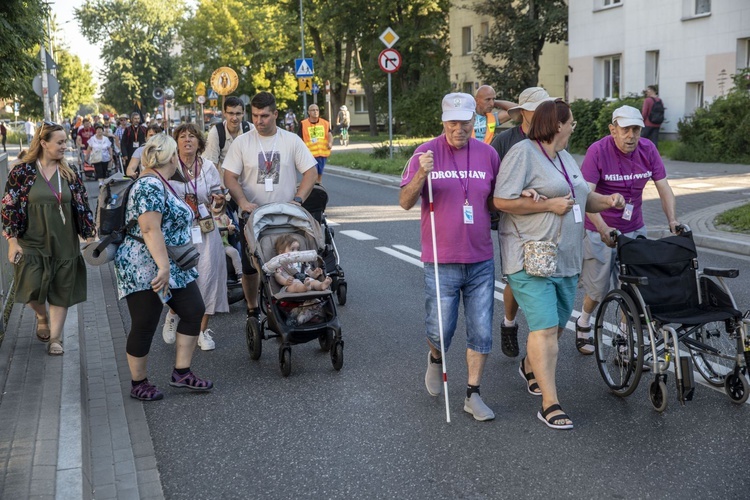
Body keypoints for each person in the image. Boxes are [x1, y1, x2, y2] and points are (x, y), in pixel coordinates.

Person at [493, 99, 626, 430]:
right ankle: (550, 403)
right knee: (544, 327)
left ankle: (529, 365)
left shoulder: (566, 158)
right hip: (531, 256)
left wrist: (608, 201)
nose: (572, 128)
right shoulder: (523, 153)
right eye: (571, 123)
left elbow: (581, 198)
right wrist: (547, 206)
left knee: (552, 326)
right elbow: (501, 200)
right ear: (557, 125)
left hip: (566, 258)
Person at [400, 92, 500, 422]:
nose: (460, 128)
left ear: (476, 121)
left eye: (466, 122)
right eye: (453, 122)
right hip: (440, 259)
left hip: (481, 259)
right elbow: (404, 201)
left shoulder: (488, 154)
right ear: (443, 122)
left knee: (482, 331)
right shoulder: (424, 153)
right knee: (440, 330)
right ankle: (436, 358)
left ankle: (473, 394)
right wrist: (421, 175)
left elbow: (495, 202)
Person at [113, 133, 212, 401]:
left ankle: (181, 372)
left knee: (193, 310)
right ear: (171, 157)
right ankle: (139, 382)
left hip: (171, 264)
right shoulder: (149, 185)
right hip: (148, 265)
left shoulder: (162, 182)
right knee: (145, 322)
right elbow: (148, 227)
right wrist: (163, 267)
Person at [574, 105, 679, 354]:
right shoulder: (597, 151)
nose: (631, 135)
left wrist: (672, 220)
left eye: (636, 129)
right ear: (613, 130)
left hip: (634, 227)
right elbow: (585, 196)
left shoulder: (648, 149)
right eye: (626, 129)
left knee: (632, 286)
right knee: (598, 288)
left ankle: (623, 338)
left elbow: (664, 187)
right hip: (601, 227)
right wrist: (602, 227)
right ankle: (584, 320)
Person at [2, 121, 96, 356]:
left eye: (65, 141)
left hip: (64, 240)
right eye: (60, 142)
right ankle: (41, 315)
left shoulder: (69, 173)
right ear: (44, 143)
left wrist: (89, 234)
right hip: (31, 239)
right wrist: (12, 241)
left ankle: (56, 337)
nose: (65, 146)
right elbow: (9, 206)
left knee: (61, 288)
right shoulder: (22, 172)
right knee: (30, 288)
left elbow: (83, 205)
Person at [223, 91, 318, 320]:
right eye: (255, 115)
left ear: (275, 114)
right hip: (253, 216)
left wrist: (297, 200)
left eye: (264, 116)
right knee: (250, 268)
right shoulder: (243, 142)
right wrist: (243, 202)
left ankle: (291, 301)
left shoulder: (291, 140)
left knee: (289, 261)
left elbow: (311, 172)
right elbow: (229, 177)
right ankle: (252, 308)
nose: (258, 121)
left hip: (285, 216)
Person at [490, 86, 555, 358]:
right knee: (516, 280)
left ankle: (540, 338)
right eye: (540, 107)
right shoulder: (506, 141)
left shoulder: (551, 139)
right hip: (514, 221)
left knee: (542, 277)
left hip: (546, 221)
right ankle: (509, 323)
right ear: (525, 113)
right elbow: (491, 180)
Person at [160, 123, 227, 351]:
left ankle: (201, 330)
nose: (187, 140)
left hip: (205, 227)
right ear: (176, 141)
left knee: (208, 278)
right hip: (177, 229)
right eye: (182, 136)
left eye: (192, 136)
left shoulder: (208, 166)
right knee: (180, 277)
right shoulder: (168, 165)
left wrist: (219, 201)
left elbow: (217, 198)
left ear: (199, 142)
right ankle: (172, 313)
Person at [203, 96, 253, 183]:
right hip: (226, 190)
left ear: (243, 113)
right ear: (224, 113)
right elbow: (211, 166)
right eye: (231, 113)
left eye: (238, 114)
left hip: (248, 188)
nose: (234, 118)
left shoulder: (250, 129)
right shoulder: (216, 133)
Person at [298, 104, 333, 183]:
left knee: (319, 174)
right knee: (312, 174)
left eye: (317, 110)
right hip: (309, 155)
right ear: (309, 112)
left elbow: (329, 134)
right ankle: (311, 189)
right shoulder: (304, 124)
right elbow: (299, 138)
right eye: (313, 110)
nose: (315, 112)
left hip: (322, 154)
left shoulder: (325, 123)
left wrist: (330, 143)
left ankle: (318, 187)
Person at [211, 196, 242, 282]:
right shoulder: (209, 218)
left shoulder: (225, 217)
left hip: (224, 244)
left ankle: (239, 273)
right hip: (213, 246)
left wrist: (231, 229)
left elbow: (231, 233)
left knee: (234, 252)